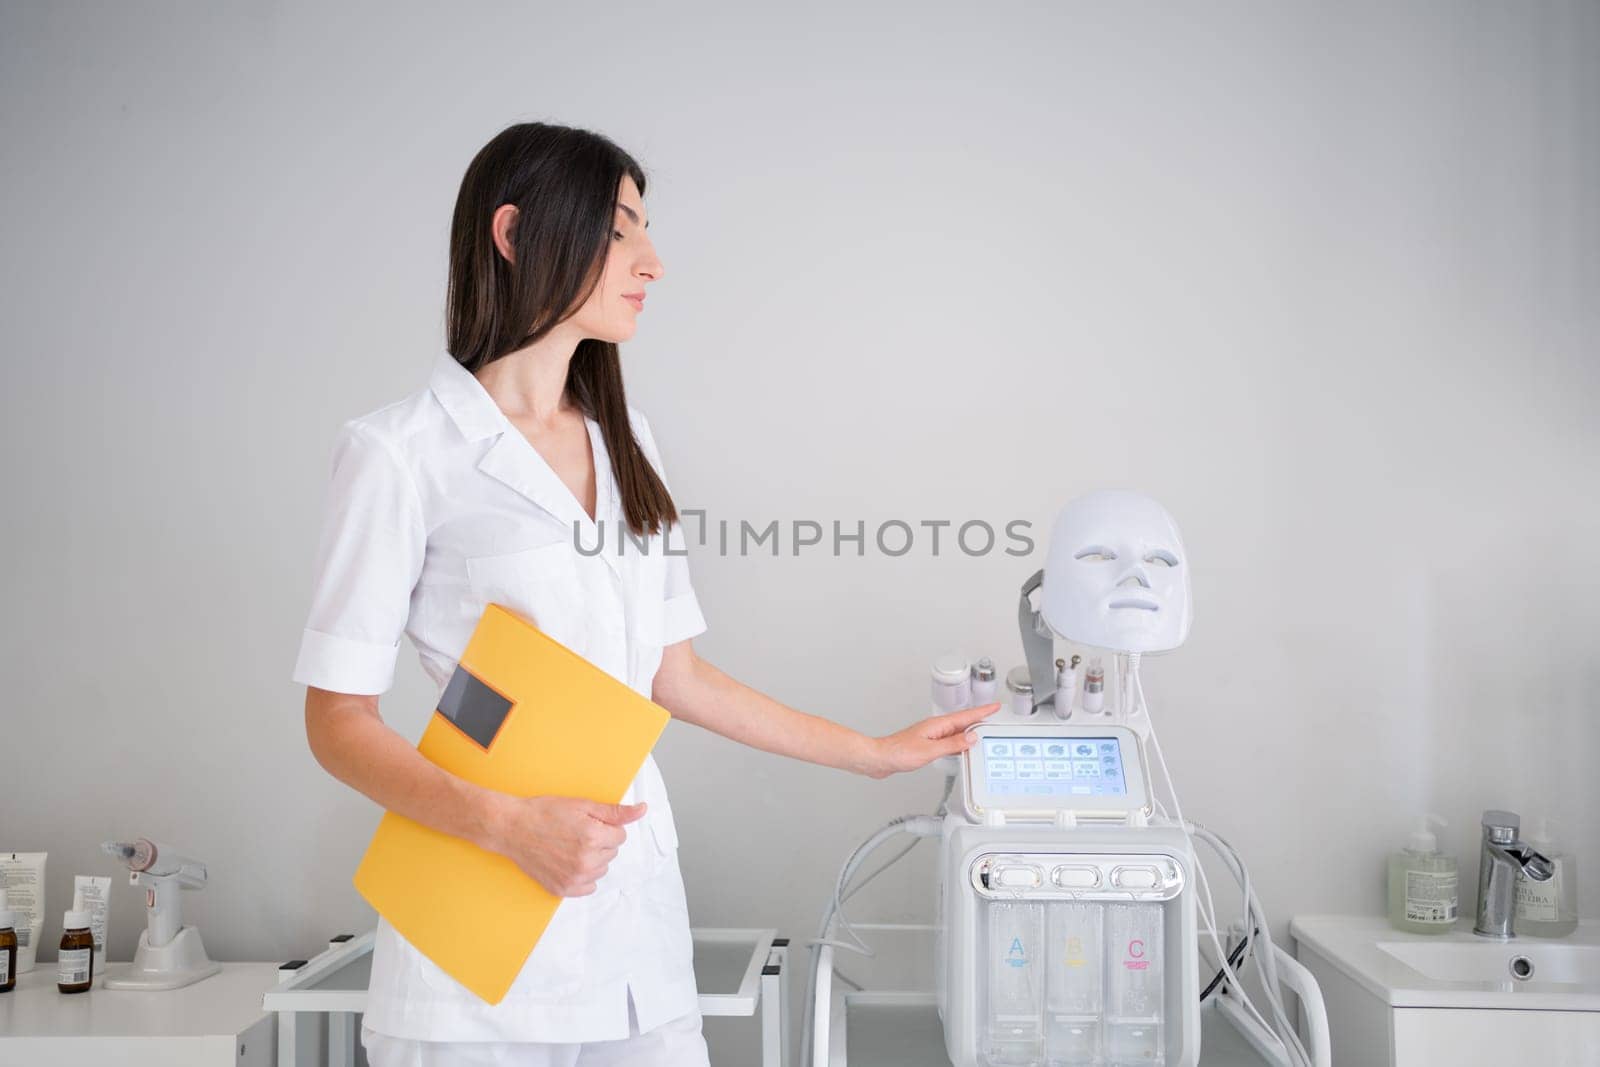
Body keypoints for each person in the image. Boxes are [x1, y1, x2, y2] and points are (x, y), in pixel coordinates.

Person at [291, 121, 999, 1066]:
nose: (652, 261)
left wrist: (872, 754)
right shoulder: (400, 454)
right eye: (622, 229)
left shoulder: (628, 444)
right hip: (474, 951)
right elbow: (336, 719)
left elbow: (677, 676)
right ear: (513, 234)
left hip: (634, 933)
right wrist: (510, 826)